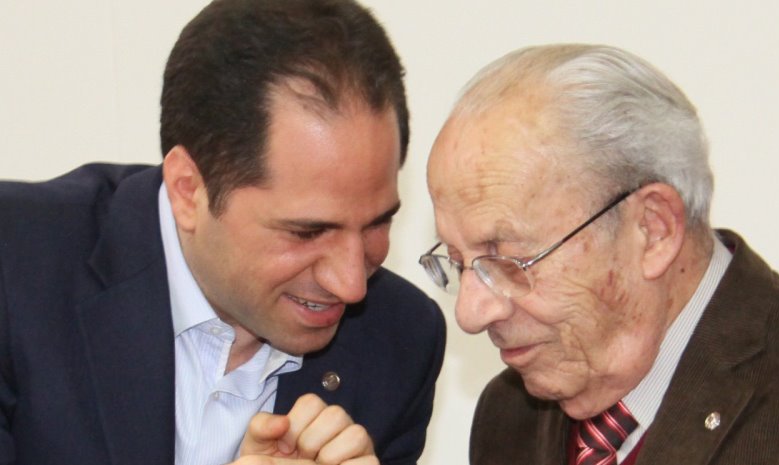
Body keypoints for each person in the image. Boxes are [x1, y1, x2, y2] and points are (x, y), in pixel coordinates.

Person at [0, 0, 446, 464]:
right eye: (307, 232)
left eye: (377, 222)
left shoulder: (400, 342)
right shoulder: (15, 268)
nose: (351, 285)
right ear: (188, 190)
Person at [421, 44, 779, 464]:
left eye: (506, 261)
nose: (470, 314)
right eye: (458, 263)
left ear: (653, 229)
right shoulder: (509, 415)